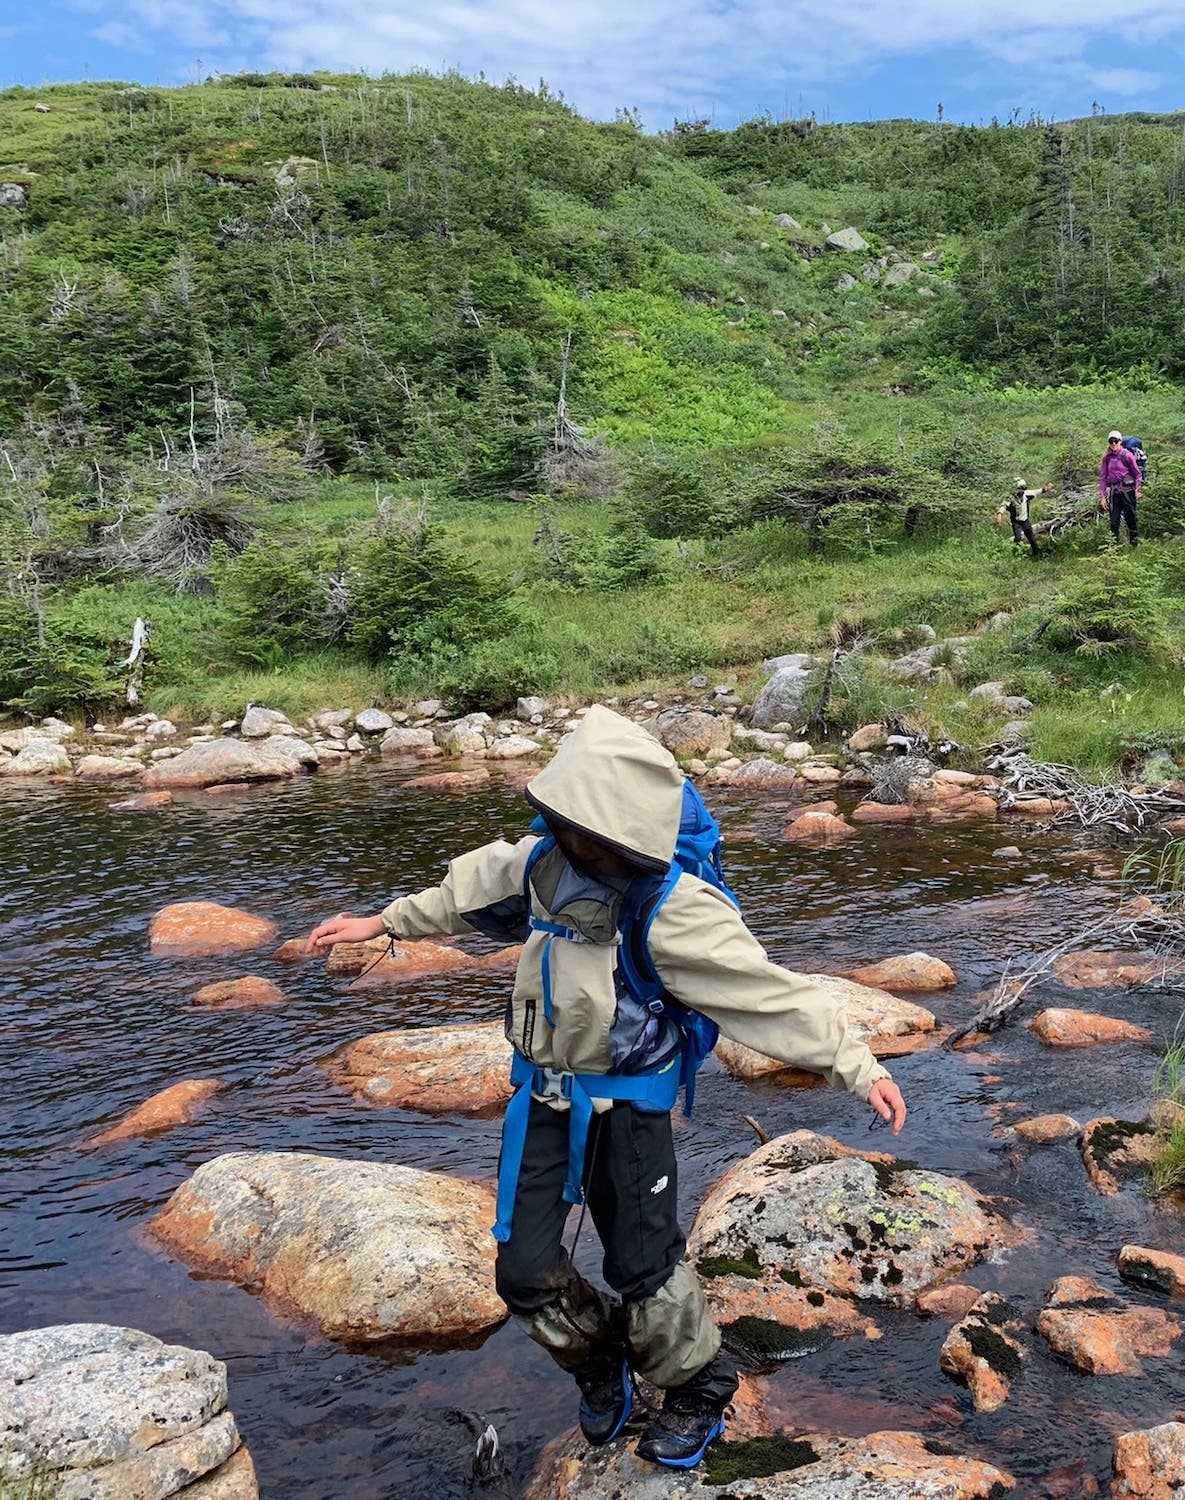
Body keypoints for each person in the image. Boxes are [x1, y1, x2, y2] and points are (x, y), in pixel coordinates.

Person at [309, 706, 907, 1472]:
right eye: (570, 827)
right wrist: (381, 922)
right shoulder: (538, 862)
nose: (580, 844)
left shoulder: (671, 908)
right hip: (544, 1100)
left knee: (643, 1269)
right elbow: (460, 893)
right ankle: (598, 1362)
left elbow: (770, 995)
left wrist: (861, 1066)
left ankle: (699, 1383)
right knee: (523, 1273)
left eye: (595, 836)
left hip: (629, 1109)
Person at [1098, 429, 1142, 546]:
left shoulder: (1127, 456)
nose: (1113, 444)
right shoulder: (1107, 458)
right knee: (1114, 522)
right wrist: (1102, 496)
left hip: (1128, 491)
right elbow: (1103, 478)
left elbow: (1137, 474)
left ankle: (1134, 545)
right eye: (1111, 441)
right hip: (1115, 493)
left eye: (1115, 441)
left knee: (1131, 519)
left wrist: (1138, 489)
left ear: (1120, 441)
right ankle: (1113, 548)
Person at [1000, 478, 1041, 558]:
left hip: (1025, 520)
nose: (1021, 492)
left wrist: (1046, 489)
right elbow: (1003, 506)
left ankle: (1037, 554)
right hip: (1016, 522)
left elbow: (1037, 491)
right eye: (1019, 489)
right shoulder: (1010, 497)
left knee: (1031, 538)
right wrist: (999, 515)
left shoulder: (1027, 494)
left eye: (1023, 489)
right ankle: (1017, 554)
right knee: (1018, 538)